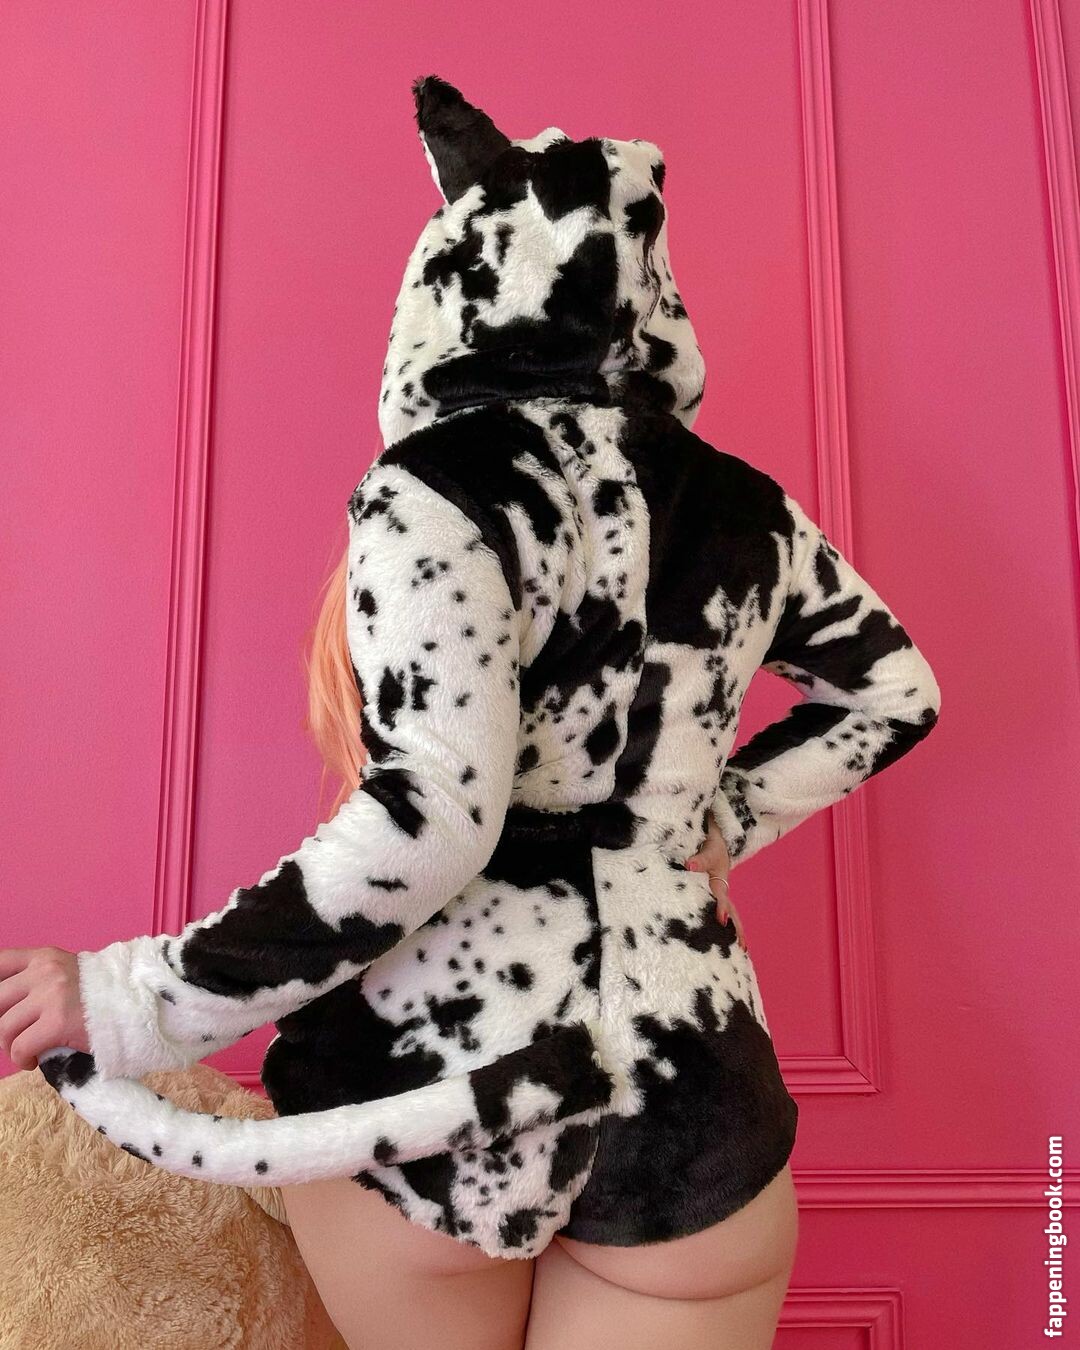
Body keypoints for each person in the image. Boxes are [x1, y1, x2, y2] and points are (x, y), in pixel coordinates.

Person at [0, 76, 941, 1350]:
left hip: (430, 1090)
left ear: (449, 280)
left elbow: (437, 814)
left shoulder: (435, 488)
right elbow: (895, 694)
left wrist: (133, 998)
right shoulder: (746, 506)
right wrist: (714, 814)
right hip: (684, 1099)